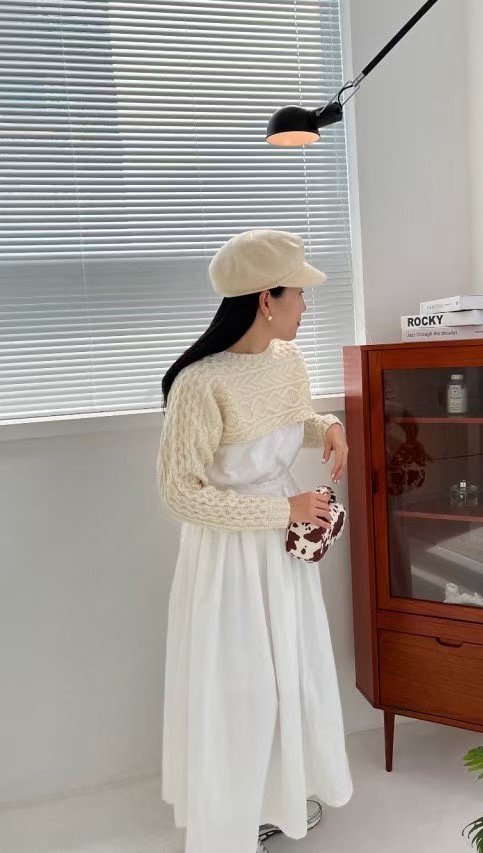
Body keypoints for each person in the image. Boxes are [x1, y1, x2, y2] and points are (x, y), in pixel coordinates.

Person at [157, 229, 353, 853]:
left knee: (290, 672)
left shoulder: (286, 360)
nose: (306, 305)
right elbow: (180, 495)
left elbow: (289, 422)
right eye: (299, 293)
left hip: (282, 549)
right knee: (240, 683)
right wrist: (283, 509)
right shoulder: (199, 384)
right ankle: (235, 815)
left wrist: (328, 426)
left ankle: (280, 796)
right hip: (229, 558)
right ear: (266, 298)